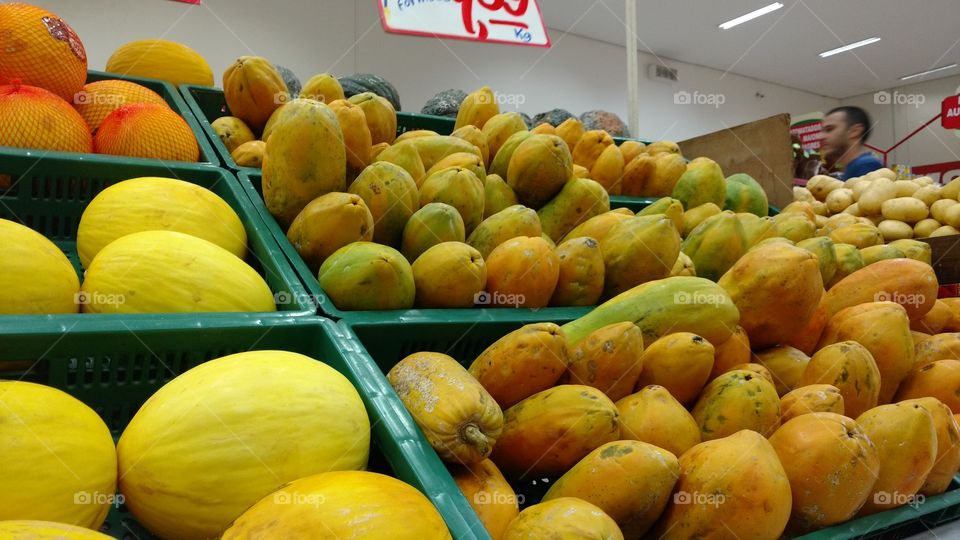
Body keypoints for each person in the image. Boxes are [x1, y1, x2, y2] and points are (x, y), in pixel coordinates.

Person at [820, 106, 884, 180]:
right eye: (822, 131)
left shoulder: (865, 165)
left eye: (829, 129)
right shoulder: (851, 168)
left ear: (855, 131)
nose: (821, 136)